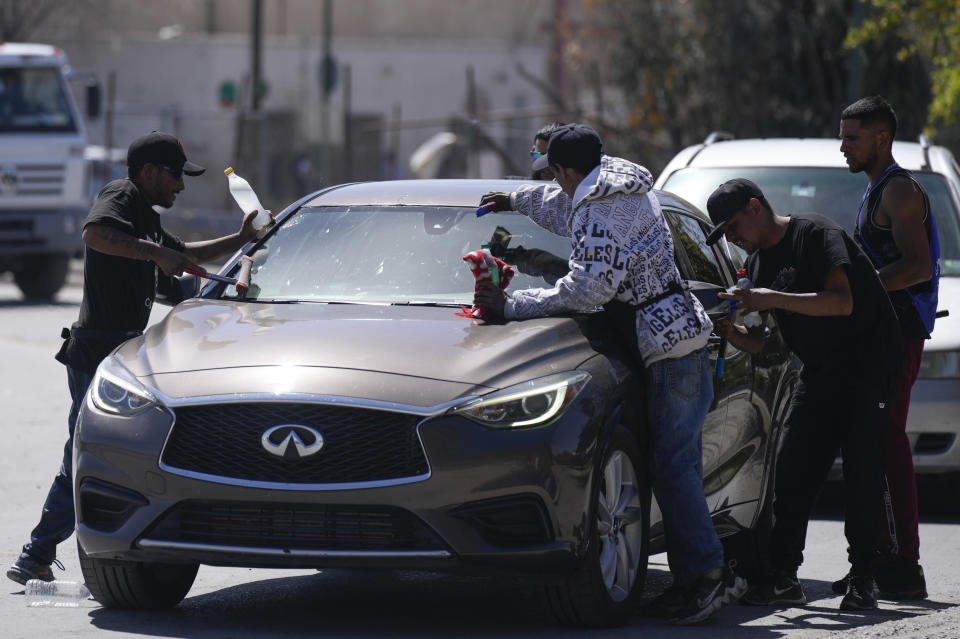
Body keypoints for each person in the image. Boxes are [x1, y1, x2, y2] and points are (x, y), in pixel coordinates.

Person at [475, 123, 745, 624]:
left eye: (554, 174)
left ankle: (709, 578)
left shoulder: (599, 209)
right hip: (678, 337)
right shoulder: (620, 183)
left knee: (673, 467)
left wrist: (510, 305)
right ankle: (700, 577)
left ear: (564, 170)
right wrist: (514, 199)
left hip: (668, 348)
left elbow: (587, 291)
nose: (554, 185)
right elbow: (562, 207)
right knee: (674, 465)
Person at [6, 131, 268, 586]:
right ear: (149, 172)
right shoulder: (120, 196)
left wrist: (241, 243)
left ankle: (49, 551)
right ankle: (37, 553)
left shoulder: (145, 217)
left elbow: (183, 259)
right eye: (174, 177)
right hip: (94, 350)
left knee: (100, 453)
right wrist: (155, 253)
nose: (180, 187)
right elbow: (95, 234)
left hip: (122, 354)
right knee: (84, 454)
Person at [707, 178, 903, 611]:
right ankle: (782, 576)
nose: (733, 237)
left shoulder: (815, 235)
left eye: (733, 225)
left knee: (861, 471)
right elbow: (767, 344)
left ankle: (864, 576)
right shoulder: (758, 266)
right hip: (819, 372)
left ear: (756, 206)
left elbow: (841, 302)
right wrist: (732, 332)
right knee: (793, 468)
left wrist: (770, 297)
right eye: (725, 234)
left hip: (868, 367)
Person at [834, 95, 937, 600]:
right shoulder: (876, 189)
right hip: (878, 336)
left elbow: (919, 266)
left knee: (890, 441)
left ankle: (904, 564)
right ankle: (876, 557)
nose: (843, 147)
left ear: (881, 138)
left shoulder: (898, 190)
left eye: (852, 137)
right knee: (871, 442)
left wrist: (863, 290)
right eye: (843, 136)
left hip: (899, 336)